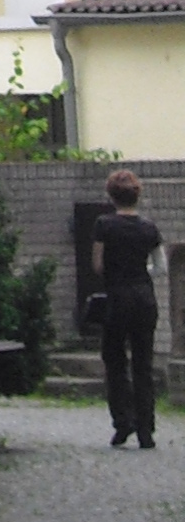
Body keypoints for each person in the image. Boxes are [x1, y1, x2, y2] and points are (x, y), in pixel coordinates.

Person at [91, 168, 165, 451]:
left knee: (115, 361)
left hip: (117, 299)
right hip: (145, 299)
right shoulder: (149, 228)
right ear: (137, 195)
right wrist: (140, 269)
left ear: (111, 195)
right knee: (143, 364)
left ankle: (123, 423)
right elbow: (160, 267)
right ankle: (147, 430)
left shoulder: (103, 225)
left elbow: (97, 265)